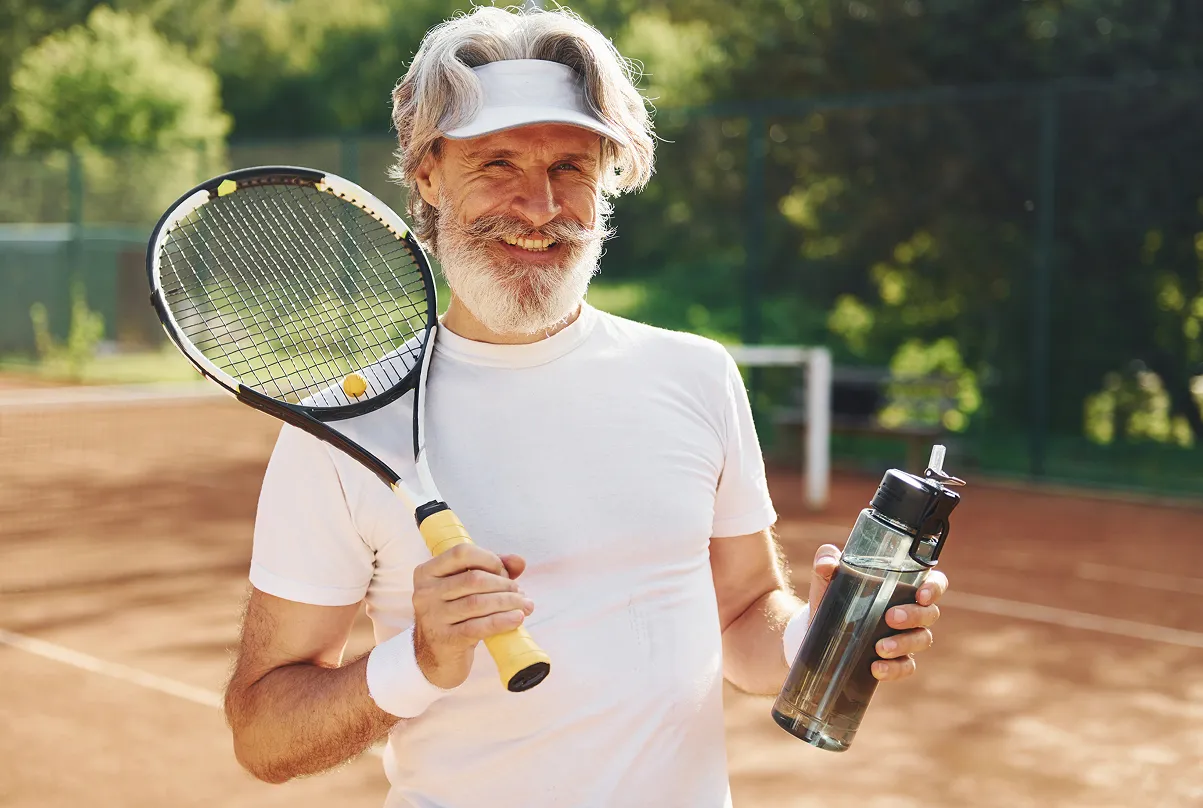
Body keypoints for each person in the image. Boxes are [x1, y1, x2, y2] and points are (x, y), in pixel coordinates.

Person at [222, 6, 949, 807]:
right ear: (427, 173)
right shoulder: (343, 430)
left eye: (570, 166)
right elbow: (263, 734)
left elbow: (741, 610)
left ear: (607, 177)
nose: (538, 206)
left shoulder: (696, 376)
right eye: (496, 163)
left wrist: (811, 638)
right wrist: (415, 663)